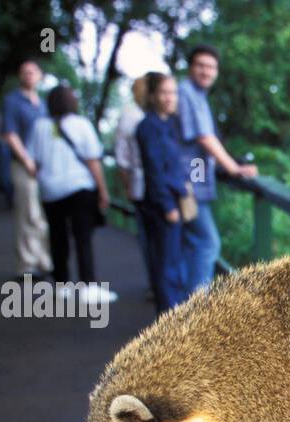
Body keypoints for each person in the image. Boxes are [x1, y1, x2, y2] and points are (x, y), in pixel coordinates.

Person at [176, 44, 257, 293]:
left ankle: (184, 310)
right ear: (191, 68)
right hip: (187, 185)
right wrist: (233, 169)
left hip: (192, 183)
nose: (206, 71)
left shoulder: (198, 96)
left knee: (192, 242)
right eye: (200, 65)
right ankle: (196, 315)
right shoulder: (186, 93)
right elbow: (204, 138)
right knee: (207, 243)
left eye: (211, 67)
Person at [27, 85, 113, 303]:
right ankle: (88, 286)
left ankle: (61, 284)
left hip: (50, 190)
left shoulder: (39, 126)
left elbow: (32, 161)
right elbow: (93, 160)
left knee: (57, 238)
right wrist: (103, 190)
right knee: (83, 238)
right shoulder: (82, 125)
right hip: (79, 187)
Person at [136, 73, 190, 313]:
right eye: (164, 93)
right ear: (153, 96)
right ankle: (169, 320)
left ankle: (176, 315)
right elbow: (154, 170)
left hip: (175, 199)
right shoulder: (149, 127)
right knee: (166, 265)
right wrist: (167, 206)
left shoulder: (170, 124)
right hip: (162, 205)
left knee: (175, 263)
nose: (170, 98)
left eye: (173, 93)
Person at [0, 60, 53, 279]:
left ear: (40, 75)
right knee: (28, 212)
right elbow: (10, 134)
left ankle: (44, 259)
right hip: (24, 165)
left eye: (32, 72)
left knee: (42, 214)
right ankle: (27, 263)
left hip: (44, 165)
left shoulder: (42, 104)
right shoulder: (12, 101)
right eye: (24, 72)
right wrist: (26, 160)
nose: (29, 75)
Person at [114, 74, 158, 300]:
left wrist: (127, 185)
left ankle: (156, 284)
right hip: (145, 186)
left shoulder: (139, 115)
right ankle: (157, 284)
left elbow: (121, 159)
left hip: (143, 185)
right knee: (152, 237)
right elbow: (122, 157)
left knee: (150, 238)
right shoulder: (134, 116)